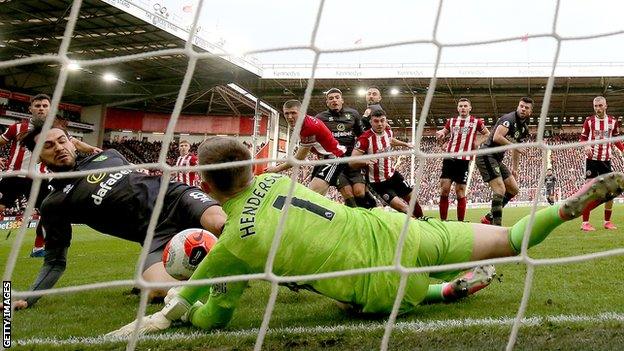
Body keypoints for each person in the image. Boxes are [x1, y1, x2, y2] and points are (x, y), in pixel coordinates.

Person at [108, 136, 624, 335]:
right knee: (510, 241)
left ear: (202, 183)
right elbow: (281, 169)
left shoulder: (234, 246)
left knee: (352, 300)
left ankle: (439, 291)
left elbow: (215, 317)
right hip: (399, 228)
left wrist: (188, 304)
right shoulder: (273, 179)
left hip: (376, 279)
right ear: (251, 168)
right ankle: (561, 208)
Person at [12, 127, 226, 309]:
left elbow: (96, 156)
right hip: (156, 236)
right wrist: (27, 298)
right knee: (159, 290)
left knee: (219, 224)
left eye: (62, 141)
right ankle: (218, 271)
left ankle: (233, 258)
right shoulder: (54, 203)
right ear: (38, 156)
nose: (58, 148)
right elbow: (54, 263)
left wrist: (84, 147)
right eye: (48, 146)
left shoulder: (109, 156)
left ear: (71, 142)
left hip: (176, 197)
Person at [0, 94, 101, 257]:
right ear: (30, 108)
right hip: (14, 176)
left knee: (49, 211)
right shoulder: (17, 128)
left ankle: (38, 248)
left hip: (39, 179)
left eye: (45, 105)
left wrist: (91, 149)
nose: (41, 108)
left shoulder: (56, 130)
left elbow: (73, 142)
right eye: (37, 105)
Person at [350, 109, 424, 217]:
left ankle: (424, 223)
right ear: (371, 122)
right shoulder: (365, 139)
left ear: (386, 121)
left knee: (414, 200)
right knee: (404, 208)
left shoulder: (389, 132)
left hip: (393, 175)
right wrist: (366, 161)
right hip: (378, 183)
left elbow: (390, 140)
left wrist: (405, 144)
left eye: (382, 120)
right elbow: (352, 162)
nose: (379, 124)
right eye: (376, 121)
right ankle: (416, 229)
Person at [265, 100, 346, 194]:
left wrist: (276, 169)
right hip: (323, 159)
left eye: (293, 113)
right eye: (286, 113)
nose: (289, 117)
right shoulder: (300, 123)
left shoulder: (309, 127)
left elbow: (299, 158)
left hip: (335, 157)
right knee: (317, 195)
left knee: (311, 194)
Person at [476, 97, 532, 226]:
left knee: (513, 189)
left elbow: (515, 149)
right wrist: (514, 146)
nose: (523, 109)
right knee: (500, 189)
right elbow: (497, 137)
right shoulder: (509, 119)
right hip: (486, 154)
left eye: (526, 108)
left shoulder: (524, 128)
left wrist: (515, 169)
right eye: (521, 106)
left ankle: (489, 218)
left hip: (496, 159)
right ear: (518, 106)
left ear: (530, 112)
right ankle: (497, 227)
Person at [435, 98, 489, 221]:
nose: (463, 108)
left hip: (464, 161)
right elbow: (444, 131)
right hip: (449, 158)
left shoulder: (476, 122)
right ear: (457, 108)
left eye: (465, 106)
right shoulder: (452, 121)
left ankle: (461, 223)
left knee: (460, 192)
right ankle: (443, 221)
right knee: (444, 190)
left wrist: (477, 142)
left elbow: (487, 134)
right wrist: (441, 133)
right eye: (461, 106)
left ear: (470, 108)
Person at [314, 88, 368, 208]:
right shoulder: (320, 117)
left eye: (337, 97)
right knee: (347, 192)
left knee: (359, 192)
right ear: (327, 102)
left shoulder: (353, 114)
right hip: (335, 161)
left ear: (342, 100)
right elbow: (314, 138)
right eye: (331, 98)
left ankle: (363, 217)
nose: (334, 100)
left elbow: (362, 136)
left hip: (352, 160)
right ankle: (355, 221)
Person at [579, 96, 624, 231]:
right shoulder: (589, 121)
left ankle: (607, 222)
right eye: (595, 106)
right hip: (592, 160)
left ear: (606, 106)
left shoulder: (612, 122)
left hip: (606, 160)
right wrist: (586, 146)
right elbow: (582, 139)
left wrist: (622, 149)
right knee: (588, 191)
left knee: (611, 191)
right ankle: (585, 223)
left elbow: (616, 139)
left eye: (600, 105)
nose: (598, 108)